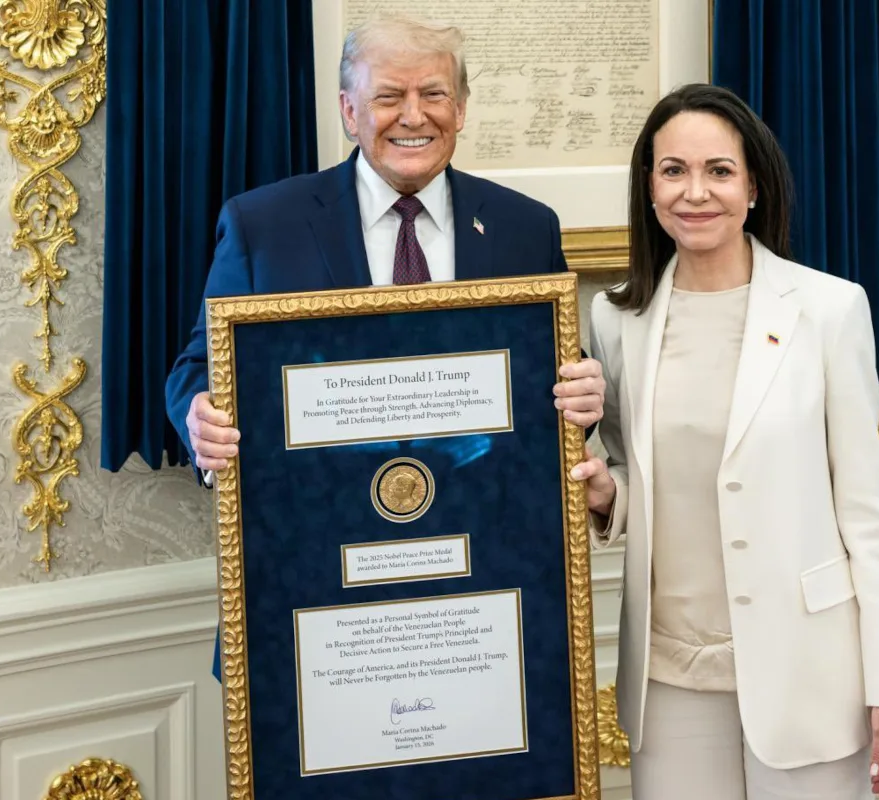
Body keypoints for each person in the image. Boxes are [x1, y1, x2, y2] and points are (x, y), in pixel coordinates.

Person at [164, 16, 605, 678]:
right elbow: (198, 368)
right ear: (349, 111)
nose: (414, 116)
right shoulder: (264, 225)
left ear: (460, 108)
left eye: (434, 94)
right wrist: (200, 417)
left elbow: (548, 389)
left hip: (478, 578)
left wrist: (582, 401)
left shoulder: (525, 228)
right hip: (312, 571)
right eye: (389, 96)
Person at [572, 83, 879, 799]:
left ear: (754, 186)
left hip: (808, 669)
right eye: (674, 171)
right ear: (649, 186)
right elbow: (634, 474)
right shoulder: (614, 318)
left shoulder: (829, 309)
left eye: (719, 171)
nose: (695, 192)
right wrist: (608, 494)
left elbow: (867, 515)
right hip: (668, 675)